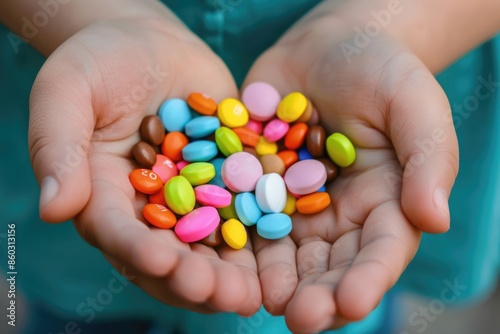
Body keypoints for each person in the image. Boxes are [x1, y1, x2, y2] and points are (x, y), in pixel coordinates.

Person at [0, 0, 499, 333]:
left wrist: (391, 25)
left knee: (345, 306)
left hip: (411, 38)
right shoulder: (198, 157)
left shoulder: (299, 161)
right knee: (86, 312)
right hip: (82, 245)